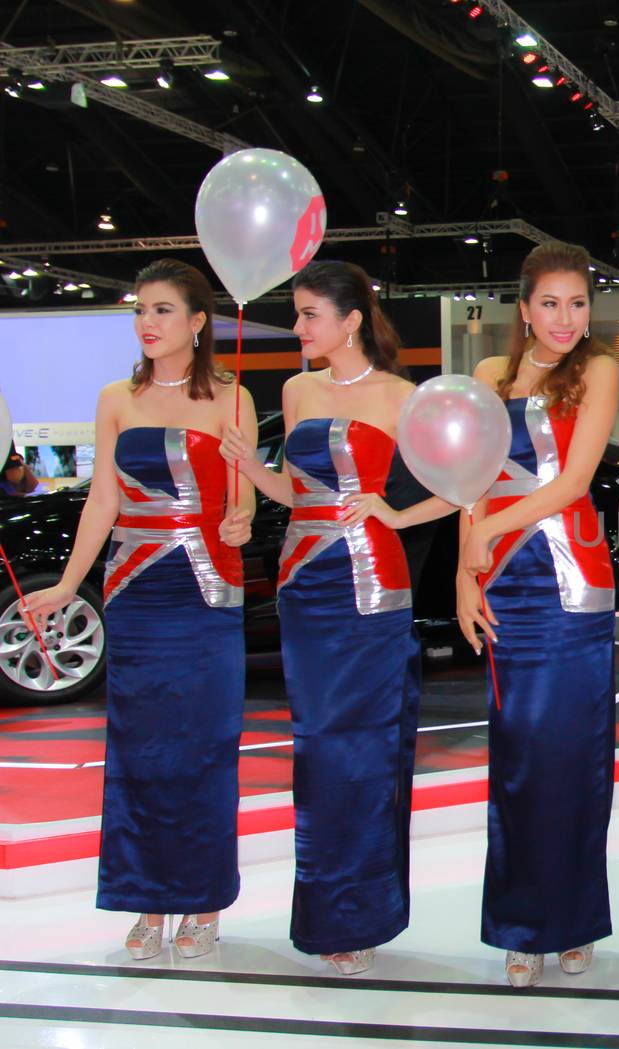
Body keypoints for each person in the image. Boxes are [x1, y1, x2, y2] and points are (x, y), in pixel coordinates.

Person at [222, 260, 453, 975]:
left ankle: (359, 913)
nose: (298, 327)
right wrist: (251, 472)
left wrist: (397, 511)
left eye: (309, 314)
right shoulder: (295, 389)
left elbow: (460, 485)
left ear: (351, 319)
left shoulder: (401, 396)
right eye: (297, 313)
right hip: (304, 586)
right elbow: (298, 491)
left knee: (365, 751)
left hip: (370, 589)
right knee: (317, 748)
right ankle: (329, 913)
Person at [26, 258, 254, 961]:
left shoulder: (231, 395)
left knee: (205, 748)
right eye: (139, 310)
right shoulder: (114, 397)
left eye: (161, 310)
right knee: (140, 751)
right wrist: (69, 584)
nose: (147, 323)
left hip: (207, 591)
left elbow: (243, 494)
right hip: (136, 596)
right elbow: (103, 499)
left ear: (196, 322)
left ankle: (202, 898)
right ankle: (147, 898)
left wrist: (243, 514)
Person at [455, 241, 619, 988]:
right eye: (550, 303)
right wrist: (467, 568)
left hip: (571, 582)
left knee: (576, 758)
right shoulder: (489, 377)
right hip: (503, 585)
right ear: (523, 309)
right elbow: (468, 482)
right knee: (517, 757)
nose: (565, 317)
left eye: (578, 303)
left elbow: (576, 479)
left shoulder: (600, 370)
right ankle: (523, 923)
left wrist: (486, 533)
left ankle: (574, 918)